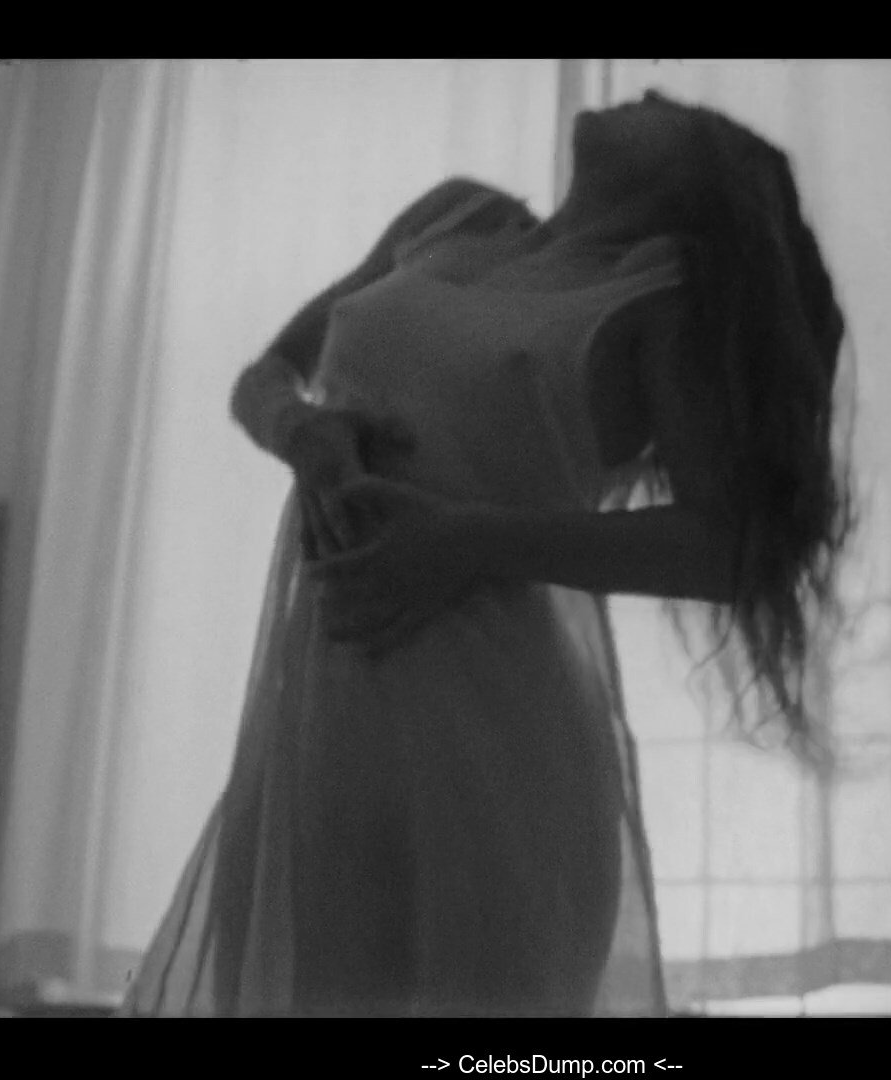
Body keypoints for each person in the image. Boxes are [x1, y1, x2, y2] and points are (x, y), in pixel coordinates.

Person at [120, 89, 853, 1017]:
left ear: (699, 179)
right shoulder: (452, 215)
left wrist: (468, 542)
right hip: (315, 729)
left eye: (673, 107)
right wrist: (301, 432)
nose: (647, 90)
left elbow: (736, 547)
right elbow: (265, 376)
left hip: (498, 733)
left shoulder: (652, 295)